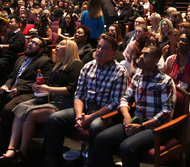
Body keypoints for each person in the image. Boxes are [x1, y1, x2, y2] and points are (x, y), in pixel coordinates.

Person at [44, 32, 128, 167]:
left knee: (95, 126)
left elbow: (114, 103)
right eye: (99, 47)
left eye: (104, 48)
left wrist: (90, 117)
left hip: (105, 114)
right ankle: (53, 160)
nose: (99, 50)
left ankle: (92, 163)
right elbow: (79, 95)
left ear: (113, 53)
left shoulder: (120, 72)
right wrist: (79, 116)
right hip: (84, 109)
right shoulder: (88, 66)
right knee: (55, 118)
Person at [0, 39, 83, 163]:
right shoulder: (58, 64)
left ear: (70, 49)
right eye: (58, 43)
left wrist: (48, 88)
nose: (57, 46)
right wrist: (39, 87)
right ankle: (11, 149)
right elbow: (50, 85)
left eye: (62, 44)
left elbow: (71, 90)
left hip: (66, 103)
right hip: (52, 99)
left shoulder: (75, 64)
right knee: (20, 108)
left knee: (31, 114)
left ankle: (22, 153)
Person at [0, 37, 54, 167]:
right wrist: (6, 86)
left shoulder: (45, 61)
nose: (30, 44)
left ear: (41, 50)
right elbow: (12, 77)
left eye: (35, 44)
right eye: (30, 42)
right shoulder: (21, 59)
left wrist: (20, 89)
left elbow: (42, 82)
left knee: (8, 110)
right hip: (11, 91)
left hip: (28, 94)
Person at [92, 45, 176, 167]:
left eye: (146, 55)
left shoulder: (165, 81)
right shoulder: (138, 77)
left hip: (156, 128)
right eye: (141, 54)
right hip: (135, 121)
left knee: (127, 147)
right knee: (101, 139)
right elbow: (125, 99)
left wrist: (142, 126)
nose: (140, 57)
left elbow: (167, 113)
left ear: (156, 60)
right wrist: (126, 116)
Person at [163, 29, 190, 118]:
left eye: (184, 40)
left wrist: (184, 97)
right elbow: (163, 81)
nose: (180, 42)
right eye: (179, 40)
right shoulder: (170, 60)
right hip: (171, 94)